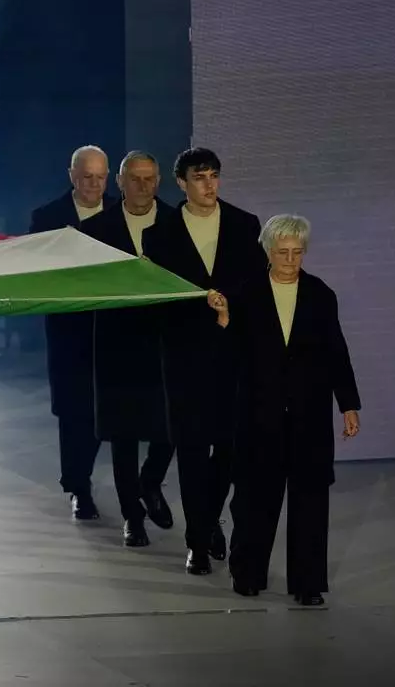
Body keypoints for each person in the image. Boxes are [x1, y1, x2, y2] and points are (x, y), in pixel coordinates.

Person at [209, 215, 360, 606]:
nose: (290, 260)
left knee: (310, 498)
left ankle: (308, 584)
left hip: (310, 415)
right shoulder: (246, 294)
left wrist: (349, 405)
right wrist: (225, 321)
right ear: (268, 251)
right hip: (260, 413)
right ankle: (248, 574)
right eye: (282, 253)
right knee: (256, 498)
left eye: (297, 252)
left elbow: (336, 352)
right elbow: (230, 359)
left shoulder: (321, 294)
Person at [142, 147, 266, 575]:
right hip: (184, 358)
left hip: (234, 356)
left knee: (230, 449)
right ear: (182, 182)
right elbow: (157, 305)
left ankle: (209, 519)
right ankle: (197, 541)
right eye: (200, 177)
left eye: (214, 176)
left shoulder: (245, 225)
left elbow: (256, 289)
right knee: (192, 450)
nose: (209, 184)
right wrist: (200, 306)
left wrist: (230, 308)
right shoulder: (159, 235)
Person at [80, 152, 176, 546]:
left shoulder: (175, 222)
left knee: (169, 426)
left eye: (150, 179)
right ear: (119, 182)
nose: (142, 186)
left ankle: (150, 482)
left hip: (165, 339)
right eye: (134, 179)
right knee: (122, 435)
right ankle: (132, 518)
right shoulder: (99, 228)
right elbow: (86, 284)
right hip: (117, 342)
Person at [30, 145, 115, 520]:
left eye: (100, 177)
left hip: (113, 330)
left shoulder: (122, 211)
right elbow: (36, 273)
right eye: (86, 178)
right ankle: (78, 486)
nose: (94, 185)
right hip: (68, 331)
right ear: (71, 175)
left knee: (104, 411)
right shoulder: (47, 217)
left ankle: (93, 480)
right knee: (73, 412)